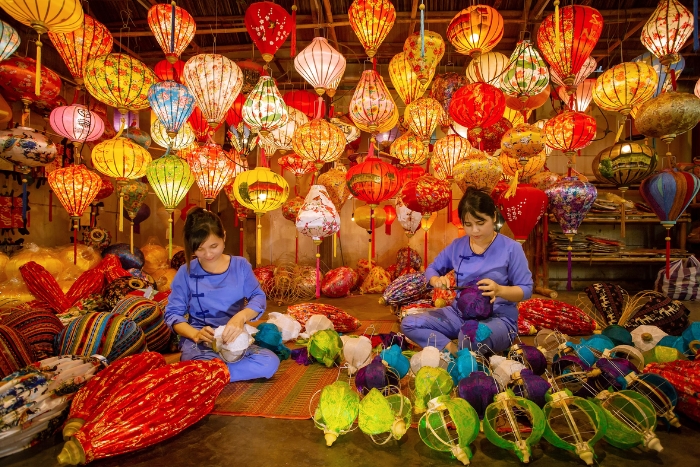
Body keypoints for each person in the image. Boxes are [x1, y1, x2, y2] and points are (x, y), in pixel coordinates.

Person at [401, 188, 533, 355]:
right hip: (459, 314)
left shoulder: (511, 249)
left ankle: (466, 346)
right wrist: (436, 281)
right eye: (468, 224)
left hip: (498, 318)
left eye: (480, 223)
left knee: (470, 337)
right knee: (409, 323)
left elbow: (526, 290)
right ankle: (452, 350)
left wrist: (500, 290)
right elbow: (432, 269)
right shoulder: (458, 246)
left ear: (493, 216)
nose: (474, 231)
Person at [165, 208, 280, 382]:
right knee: (199, 365)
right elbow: (173, 314)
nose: (208, 254)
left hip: (233, 340)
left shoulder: (240, 266)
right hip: (201, 344)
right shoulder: (185, 272)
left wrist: (240, 317)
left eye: (214, 246)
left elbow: (258, 297)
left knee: (270, 362)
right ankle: (212, 372)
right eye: (199, 249)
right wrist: (194, 334)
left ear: (224, 237)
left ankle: (211, 375)